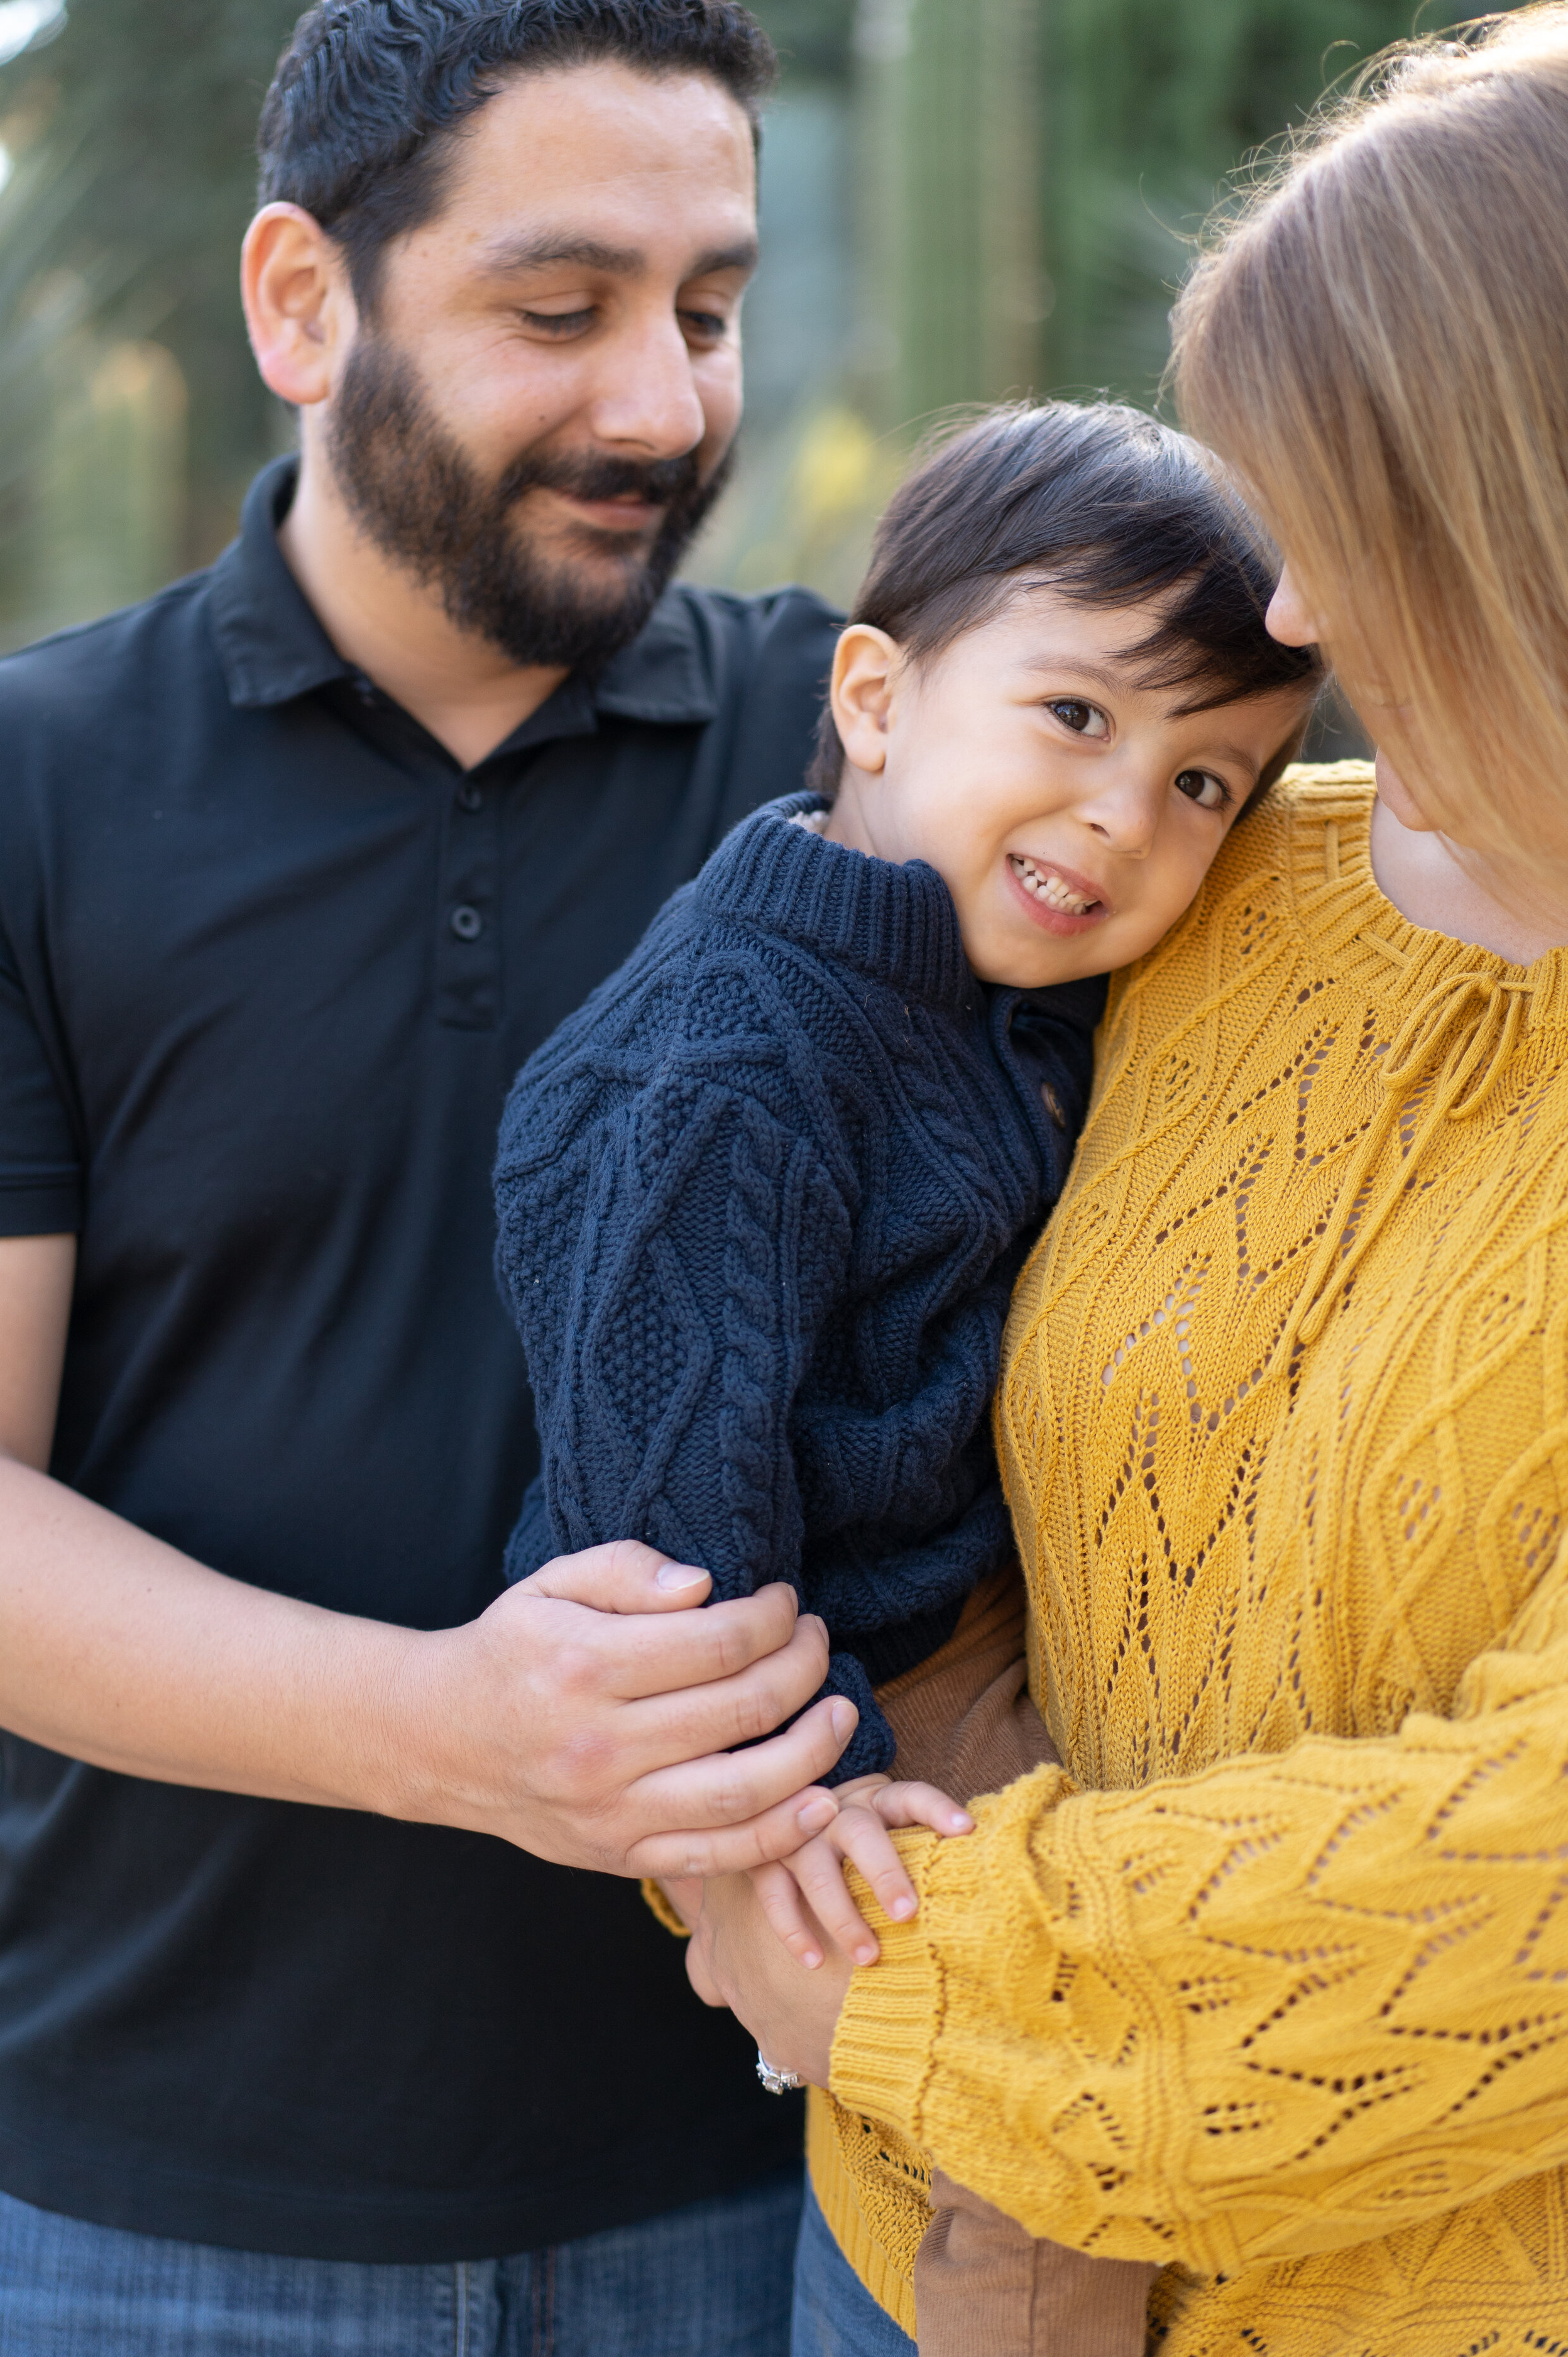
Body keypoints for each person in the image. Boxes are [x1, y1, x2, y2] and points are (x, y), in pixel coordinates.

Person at [677, 9, 1568, 2354]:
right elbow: (856, 1361)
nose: (1283, 626)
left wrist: (842, 1956)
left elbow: (1529, 1895)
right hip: (904, 2256)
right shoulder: (1192, 898)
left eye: (1335, 521)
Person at [0, 4, 867, 2350]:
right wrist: (459, 1736)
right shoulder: (28, 790)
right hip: (149, 2210)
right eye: (557, 310)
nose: (663, 407)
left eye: (706, 309)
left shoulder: (863, 769)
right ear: (304, 302)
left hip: (795, 2173)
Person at [493, 397, 1320, 2357]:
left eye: (1209, 782)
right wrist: (810, 1800)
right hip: (811, 1653)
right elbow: (662, 1515)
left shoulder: (974, 979)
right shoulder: (734, 1068)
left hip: (962, 1601)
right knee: (1065, 2065)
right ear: (874, 697)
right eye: (1077, 720)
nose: (1131, 813)